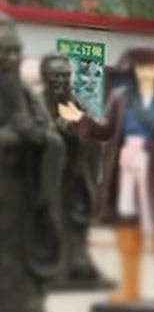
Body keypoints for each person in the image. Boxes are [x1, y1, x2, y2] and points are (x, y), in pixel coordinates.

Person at [58, 47, 154, 308]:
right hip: (125, 171)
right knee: (128, 233)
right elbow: (105, 129)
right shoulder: (120, 99)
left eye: (151, 69)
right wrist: (81, 120)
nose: (145, 73)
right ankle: (129, 290)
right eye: (140, 69)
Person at [0, 14, 66, 312]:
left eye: (15, 51)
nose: (11, 59)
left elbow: (48, 135)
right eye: (4, 52)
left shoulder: (20, 89)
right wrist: (14, 136)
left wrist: (37, 137)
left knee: (19, 264)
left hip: (20, 194)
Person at [40, 53, 106, 287]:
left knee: (77, 217)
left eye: (65, 76)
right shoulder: (38, 104)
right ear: (45, 77)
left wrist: (81, 128)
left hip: (75, 172)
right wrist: (58, 129)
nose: (61, 81)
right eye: (56, 76)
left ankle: (77, 262)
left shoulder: (75, 102)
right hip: (50, 176)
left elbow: (91, 130)